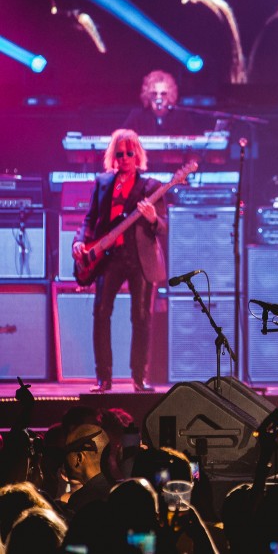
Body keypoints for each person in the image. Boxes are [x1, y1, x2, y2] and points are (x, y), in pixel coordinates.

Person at [72, 129, 167, 392]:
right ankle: (104, 378)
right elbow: (90, 218)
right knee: (101, 312)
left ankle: (139, 378)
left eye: (129, 153)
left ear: (137, 155)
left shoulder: (151, 187)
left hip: (139, 258)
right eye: (119, 153)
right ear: (113, 156)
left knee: (141, 317)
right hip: (109, 257)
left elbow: (163, 226)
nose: (124, 158)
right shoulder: (103, 182)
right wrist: (79, 241)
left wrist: (152, 217)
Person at [122, 70, 204, 135]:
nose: (158, 98)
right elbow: (121, 138)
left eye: (163, 94)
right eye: (154, 93)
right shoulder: (137, 116)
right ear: (147, 95)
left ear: (170, 95)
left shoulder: (181, 116)